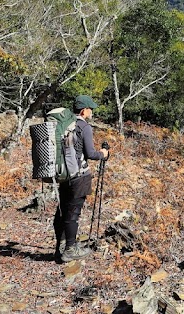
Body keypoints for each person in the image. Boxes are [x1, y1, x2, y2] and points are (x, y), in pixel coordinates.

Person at [54, 94, 109, 262]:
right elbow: (91, 154)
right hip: (79, 176)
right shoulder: (84, 127)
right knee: (73, 214)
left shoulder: (66, 125)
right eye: (90, 109)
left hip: (64, 175)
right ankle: (70, 249)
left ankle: (61, 246)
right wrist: (104, 153)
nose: (91, 112)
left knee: (62, 212)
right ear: (84, 110)